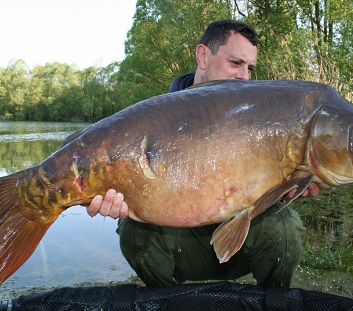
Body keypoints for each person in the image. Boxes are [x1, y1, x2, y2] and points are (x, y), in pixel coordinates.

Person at [87, 20, 319, 287]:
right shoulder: (155, 119)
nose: (245, 76)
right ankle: (169, 301)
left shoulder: (262, 121)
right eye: (236, 63)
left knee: (284, 228)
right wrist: (114, 197)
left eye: (250, 68)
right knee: (134, 231)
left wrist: (291, 188)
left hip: (240, 245)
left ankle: (273, 300)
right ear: (203, 56)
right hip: (183, 247)